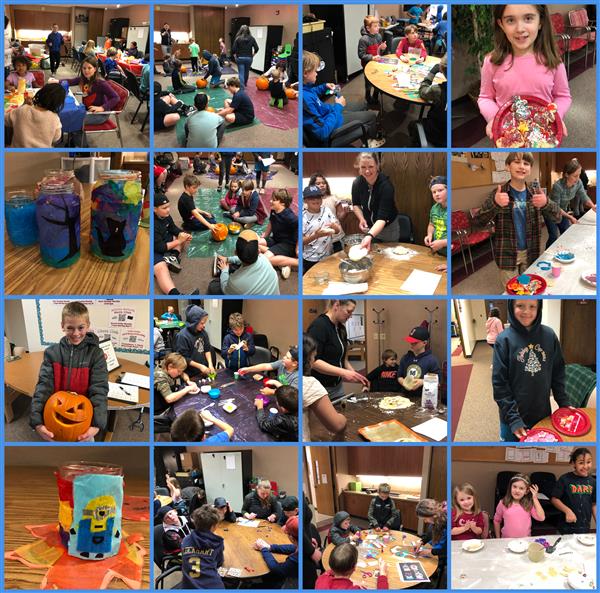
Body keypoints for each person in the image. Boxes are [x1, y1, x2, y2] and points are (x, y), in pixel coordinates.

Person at [478, 4, 571, 142]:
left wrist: (556, 115)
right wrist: (494, 118)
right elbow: (485, 98)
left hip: (543, 133)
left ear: (541, 22)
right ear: (501, 24)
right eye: (510, 20)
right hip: (507, 134)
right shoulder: (491, 62)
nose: (520, 29)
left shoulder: (554, 61)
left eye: (528, 18)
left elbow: (563, 96)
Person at [474, 152, 561, 284]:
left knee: (528, 286)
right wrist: (495, 204)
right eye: (516, 162)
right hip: (507, 253)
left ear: (530, 169)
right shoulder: (499, 193)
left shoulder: (536, 193)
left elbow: (558, 218)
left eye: (526, 163)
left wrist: (546, 204)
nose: (522, 166)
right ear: (507, 166)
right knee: (512, 289)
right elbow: (478, 223)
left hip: (531, 251)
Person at [29, 301, 108, 442]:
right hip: (54, 419)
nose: (76, 333)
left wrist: (97, 424)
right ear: (62, 326)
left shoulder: (96, 355)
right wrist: (37, 421)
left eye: (81, 327)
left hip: (82, 422)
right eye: (70, 328)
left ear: (88, 326)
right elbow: (43, 386)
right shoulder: (51, 353)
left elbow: (99, 389)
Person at [493, 299, 569, 441]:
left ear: (539, 307)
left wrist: (563, 402)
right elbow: (499, 384)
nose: (526, 311)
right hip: (512, 419)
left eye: (532, 306)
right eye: (520, 306)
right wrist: (513, 419)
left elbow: (558, 372)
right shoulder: (503, 340)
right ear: (511, 306)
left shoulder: (549, 335)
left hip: (542, 414)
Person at [302, 50, 383, 147]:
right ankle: (371, 141)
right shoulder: (304, 100)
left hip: (328, 114)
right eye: (315, 71)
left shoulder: (304, 89)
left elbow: (312, 92)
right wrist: (338, 107)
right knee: (371, 116)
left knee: (363, 104)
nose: (316, 74)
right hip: (329, 130)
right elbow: (322, 132)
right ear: (305, 73)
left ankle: (364, 132)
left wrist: (324, 86)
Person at [306, 299, 369, 401]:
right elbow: (313, 361)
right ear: (337, 305)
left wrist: (355, 375)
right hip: (320, 388)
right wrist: (344, 373)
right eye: (348, 311)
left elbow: (342, 358)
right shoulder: (319, 326)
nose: (351, 315)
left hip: (337, 386)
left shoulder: (341, 328)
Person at [302, 334, 347, 441]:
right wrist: (343, 417)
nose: (314, 361)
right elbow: (337, 425)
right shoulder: (309, 384)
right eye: (313, 356)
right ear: (308, 358)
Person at [352, 152, 399, 252]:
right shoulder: (357, 183)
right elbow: (355, 204)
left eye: (371, 166)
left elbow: (382, 218)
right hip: (369, 227)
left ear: (377, 166)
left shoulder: (386, 186)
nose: (367, 171)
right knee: (373, 254)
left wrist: (369, 235)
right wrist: (362, 219)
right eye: (363, 167)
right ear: (358, 168)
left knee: (389, 255)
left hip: (388, 228)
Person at [546, 158, 596, 248]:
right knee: (553, 236)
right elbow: (556, 208)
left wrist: (593, 206)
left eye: (579, 175)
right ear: (566, 175)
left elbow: (584, 196)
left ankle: (564, 251)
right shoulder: (558, 186)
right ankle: (546, 256)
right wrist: (570, 217)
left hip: (563, 211)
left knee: (566, 233)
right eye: (575, 176)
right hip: (550, 212)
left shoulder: (578, 183)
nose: (578, 178)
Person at [212, 230, 280, 295]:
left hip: (254, 305)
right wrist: (228, 259)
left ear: (235, 252)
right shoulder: (264, 259)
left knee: (213, 286)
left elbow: (225, 290)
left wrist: (224, 270)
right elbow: (242, 259)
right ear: (259, 252)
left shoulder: (235, 283)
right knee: (238, 266)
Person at [153, 193, 196, 296]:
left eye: (168, 206)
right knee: (161, 268)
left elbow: (173, 228)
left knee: (181, 236)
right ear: (154, 209)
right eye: (164, 208)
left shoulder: (166, 216)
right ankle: (176, 294)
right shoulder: (153, 225)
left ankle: (173, 258)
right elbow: (160, 247)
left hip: (165, 239)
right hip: (155, 249)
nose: (168, 210)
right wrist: (179, 241)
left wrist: (183, 234)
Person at [55, 56, 119, 125]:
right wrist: (57, 81)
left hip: (100, 114)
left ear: (95, 69)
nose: (86, 70)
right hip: (87, 109)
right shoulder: (83, 79)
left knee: (74, 120)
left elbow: (116, 97)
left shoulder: (101, 83)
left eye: (89, 68)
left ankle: (76, 134)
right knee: (68, 115)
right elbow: (70, 81)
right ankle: (75, 133)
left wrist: (102, 108)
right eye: (84, 68)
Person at [4, 83, 65, 148]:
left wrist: (23, 105)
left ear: (40, 93)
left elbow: (5, 120)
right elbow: (56, 138)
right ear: (58, 104)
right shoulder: (55, 119)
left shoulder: (23, 110)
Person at [551, 448, 596, 534]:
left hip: (584, 528)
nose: (586, 466)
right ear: (573, 463)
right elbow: (554, 499)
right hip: (565, 527)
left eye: (588, 462)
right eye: (581, 463)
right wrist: (567, 511)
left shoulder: (593, 482)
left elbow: (594, 504)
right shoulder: (564, 479)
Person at [181, 505, 225, 589]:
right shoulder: (217, 542)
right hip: (212, 586)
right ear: (213, 526)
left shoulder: (185, 540)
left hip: (188, 586)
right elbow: (219, 562)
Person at [259, 188, 298, 279]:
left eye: (274, 200)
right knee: (254, 243)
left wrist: (297, 249)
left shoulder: (291, 218)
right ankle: (282, 261)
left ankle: (295, 262)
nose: (270, 201)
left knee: (265, 259)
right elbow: (271, 223)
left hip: (287, 244)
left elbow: (299, 232)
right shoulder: (274, 210)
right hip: (276, 239)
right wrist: (265, 235)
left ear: (283, 203)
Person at [302, 184, 341, 272]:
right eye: (311, 198)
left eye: (318, 197)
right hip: (310, 258)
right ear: (305, 200)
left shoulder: (326, 210)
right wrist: (316, 235)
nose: (316, 200)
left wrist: (335, 227)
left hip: (329, 255)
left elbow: (337, 231)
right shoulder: (303, 217)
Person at [316, 543, 388, 589]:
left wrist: (350, 582)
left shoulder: (321, 578)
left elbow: (330, 573)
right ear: (354, 567)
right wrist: (382, 574)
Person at [253, 516, 299, 588]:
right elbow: (292, 547)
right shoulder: (302, 543)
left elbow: (277, 569)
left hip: (291, 584)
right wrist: (270, 547)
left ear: (292, 538)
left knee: (253, 587)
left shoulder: (296, 557)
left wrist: (263, 549)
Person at [398, 326, 441, 399]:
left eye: (414, 342)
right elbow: (399, 376)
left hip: (424, 397)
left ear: (424, 343)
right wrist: (404, 383)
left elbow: (437, 379)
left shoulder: (432, 360)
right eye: (410, 341)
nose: (411, 344)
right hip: (405, 396)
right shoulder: (405, 358)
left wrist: (422, 381)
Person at [175, 304, 215, 380]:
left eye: (204, 323)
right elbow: (184, 358)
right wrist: (200, 366)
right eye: (202, 323)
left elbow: (207, 349)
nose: (204, 326)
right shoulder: (182, 336)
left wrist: (210, 364)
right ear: (194, 322)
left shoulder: (203, 333)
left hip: (202, 371)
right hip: (190, 373)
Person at [310, 173, 347, 251]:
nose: (322, 185)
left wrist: (344, 212)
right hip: (320, 239)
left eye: (324, 183)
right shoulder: (309, 202)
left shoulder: (333, 198)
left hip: (337, 237)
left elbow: (339, 217)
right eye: (318, 183)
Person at [414, 498, 447, 580]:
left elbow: (445, 547)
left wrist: (431, 552)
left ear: (433, 515)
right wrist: (422, 541)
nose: (425, 522)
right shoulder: (435, 519)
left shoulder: (446, 522)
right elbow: (430, 532)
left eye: (425, 519)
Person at [358, 15, 386, 106]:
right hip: (367, 65)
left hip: (377, 63)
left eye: (378, 25)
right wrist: (372, 57)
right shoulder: (363, 39)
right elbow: (361, 55)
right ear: (368, 28)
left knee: (378, 80)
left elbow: (380, 50)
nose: (378, 27)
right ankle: (368, 96)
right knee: (368, 82)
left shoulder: (378, 36)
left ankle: (375, 96)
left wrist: (382, 48)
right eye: (375, 26)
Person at [424, 175, 447, 255]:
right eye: (434, 192)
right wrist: (429, 235)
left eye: (440, 190)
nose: (436, 194)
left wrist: (443, 243)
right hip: (437, 252)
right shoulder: (434, 208)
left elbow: (456, 237)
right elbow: (431, 225)